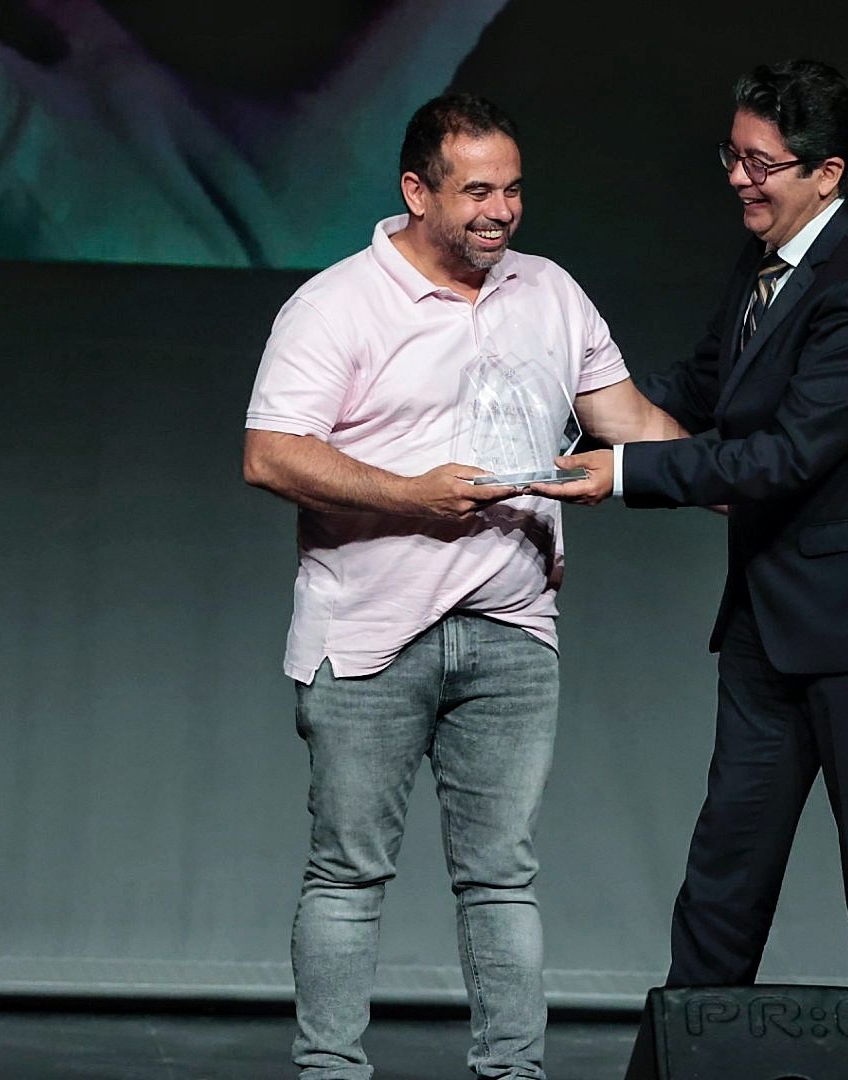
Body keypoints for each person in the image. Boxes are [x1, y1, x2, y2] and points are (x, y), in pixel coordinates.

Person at [536, 60, 848, 1079]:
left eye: (762, 163)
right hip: (768, 622)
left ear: (826, 173)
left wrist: (620, 476)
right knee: (723, 878)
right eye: (732, 156)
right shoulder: (765, 264)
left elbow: (784, 455)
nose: (740, 179)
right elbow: (696, 386)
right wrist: (555, 408)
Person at [243, 93, 680, 1080]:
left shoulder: (549, 294)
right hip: (368, 638)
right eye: (476, 190)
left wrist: (745, 484)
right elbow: (269, 455)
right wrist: (406, 494)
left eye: (514, 189)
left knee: (502, 880)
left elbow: (634, 423)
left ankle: (511, 1077)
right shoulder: (338, 303)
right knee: (349, 876)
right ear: (415, 192)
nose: (501, 210)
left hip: (512, 633)